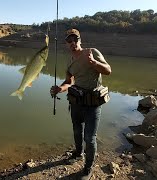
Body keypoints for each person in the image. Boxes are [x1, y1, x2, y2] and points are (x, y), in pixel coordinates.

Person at [50, 28, 111, 180]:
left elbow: (108, 70)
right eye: (69, 41)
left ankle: (88, 168)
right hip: (77, 103)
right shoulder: (70, 61)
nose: (72, 43)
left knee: (89, 138)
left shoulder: (92, 52)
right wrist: (59, 89)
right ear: (66, 44)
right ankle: (78, 153)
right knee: (77, 131)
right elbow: (70, 82)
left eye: (74, 39)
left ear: (80, 40)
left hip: (93, 104)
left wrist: (93, 62)